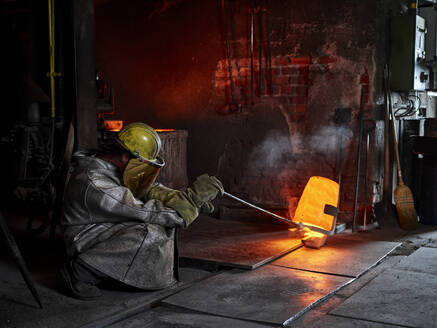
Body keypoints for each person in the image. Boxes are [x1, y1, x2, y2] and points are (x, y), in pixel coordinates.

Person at [60, 122, 223, 300]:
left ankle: (105, 268)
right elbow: (145, 211)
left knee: (157, 228)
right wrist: (192, 202)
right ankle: (80, 271)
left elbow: (147, 189)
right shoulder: (95, 182)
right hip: (84, 236)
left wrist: (182, 198)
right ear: (125, 157)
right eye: (144, 164)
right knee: (149, 233)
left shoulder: (110, 166)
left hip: (104, 224)